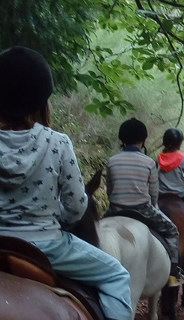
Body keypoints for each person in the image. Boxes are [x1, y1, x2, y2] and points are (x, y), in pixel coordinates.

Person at [0, 46, 132, 320]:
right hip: (47, 245)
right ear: (42, 100)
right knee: (117, 274)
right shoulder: (58, 143)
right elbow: (75, 208)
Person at [106, 117, 184, 287]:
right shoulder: (149, 162)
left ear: (122, 139)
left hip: (115, 210)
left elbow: (109, 191)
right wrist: (153, 206)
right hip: (142, 209)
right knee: (172, 231)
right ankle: (173, 271)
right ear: (143, 140)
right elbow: (153, 194)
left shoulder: (112, 161)